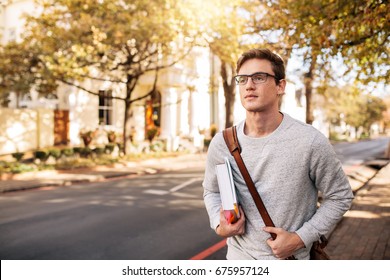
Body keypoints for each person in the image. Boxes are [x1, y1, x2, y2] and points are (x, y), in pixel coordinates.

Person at [202, 48, 354, 260]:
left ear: (280, 86)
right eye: (242, 79)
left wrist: (300, 238)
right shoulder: (222, 143)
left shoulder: (309, 140)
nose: (249, 85)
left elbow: (340, 196)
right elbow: (211, 191)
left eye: (259, 77)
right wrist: (220, 225)